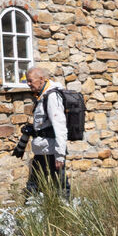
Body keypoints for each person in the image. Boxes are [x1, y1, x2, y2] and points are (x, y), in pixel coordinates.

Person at [23, 65, 71, 199]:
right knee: (35, 186)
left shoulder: (52, 97)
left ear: (41, 79)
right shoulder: (43, 96)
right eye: (27, 80)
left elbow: (60, 126)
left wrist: (60, 155)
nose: (28, 83)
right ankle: (32, 214)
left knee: (59, 187)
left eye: (30, 80)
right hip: (42, 150)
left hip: (51, 152)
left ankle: (64, 213)